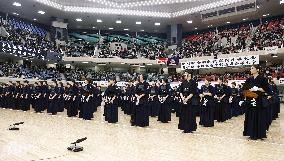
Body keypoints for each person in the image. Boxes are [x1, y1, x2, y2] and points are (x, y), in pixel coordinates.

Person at [243, 65, 269, 140]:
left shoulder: (263, 79)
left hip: (259, 101)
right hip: (250, 100)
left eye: (252, 68)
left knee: (259, 116)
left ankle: (259, 134)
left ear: (257, 69)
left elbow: (266, 90)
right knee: (250, 116)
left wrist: (258, 88)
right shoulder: (249, 79)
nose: (250, 70)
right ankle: (251, 133)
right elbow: (244, 90)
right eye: (250, 68)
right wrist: (250, 92)